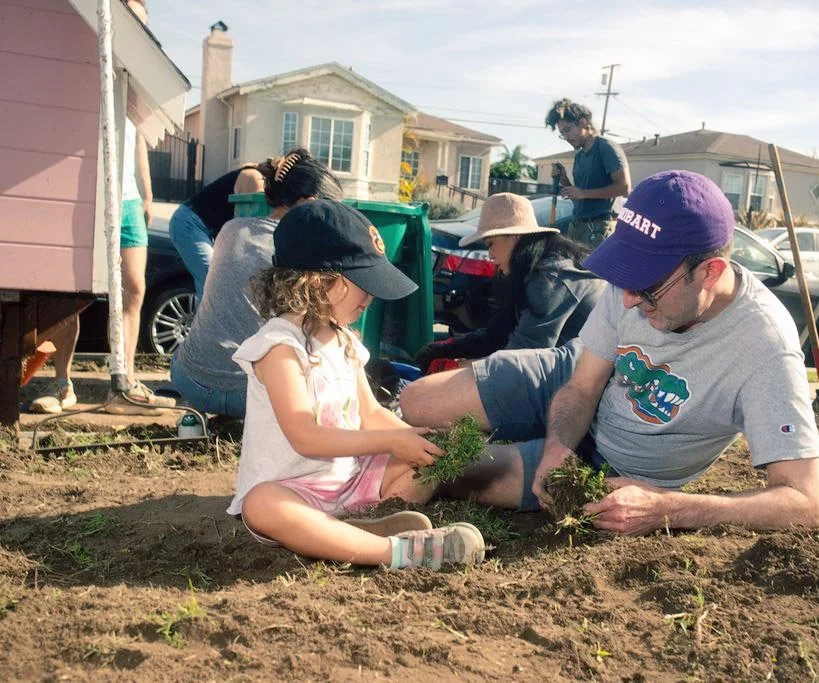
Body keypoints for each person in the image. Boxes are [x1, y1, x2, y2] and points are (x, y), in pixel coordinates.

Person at [402, 171, 819, 534]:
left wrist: (672, 509)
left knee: (440, 472)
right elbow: (583, 387)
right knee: (415, 401)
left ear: (709, 272)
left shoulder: (765, 348)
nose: (626, 302)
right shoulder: (635, 284)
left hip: (615, 468)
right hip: (573, 374)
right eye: (624, 283)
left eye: (645, 288)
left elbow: (805, 501)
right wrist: (556, 445)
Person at [228, 200, 486, 569]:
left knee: (422, 466)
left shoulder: (345, 340)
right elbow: (306, 437)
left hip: (353, 483)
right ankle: (394, 552)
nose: (371, 296)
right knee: (261, 505)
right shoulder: (278, 348)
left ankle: (354, 531)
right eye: (363, 283)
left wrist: (416, 439)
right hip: (296, 492)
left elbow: (370, 412)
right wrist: (391, 441)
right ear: (316, 281)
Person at [29, 0, 173, 416]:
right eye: (131, 20)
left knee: (135, 287)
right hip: (85, 193)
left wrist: (146, 193)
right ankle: (62, 385)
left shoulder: (140, 73)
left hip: (126, 198)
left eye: (142, 23)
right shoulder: (85, 59)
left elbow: (140, 135)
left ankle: (122, 384)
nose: (137, 30)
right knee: (72, 295)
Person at [171, 149, 342, 418]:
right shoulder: (298, 255)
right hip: (248, 394)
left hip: (189, 381)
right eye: (329, 212)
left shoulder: (232, 230)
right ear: (309, 203)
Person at [412, 193, 605, 375]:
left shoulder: (549, 277)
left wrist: (457, 368)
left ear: (515, 236)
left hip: (594, 381)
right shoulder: (531, 269)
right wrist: (451, 348)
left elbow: (523, 357)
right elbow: (500, 333)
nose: (490, 255)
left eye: (490, 244)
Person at [169, 165, 265, 301]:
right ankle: (204, 321)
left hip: (203, 226)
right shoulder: (253, 178)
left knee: (215, 278)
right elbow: (245, 224)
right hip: (190, 222)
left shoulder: (254, 173)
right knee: (212, 278)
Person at [544, 98, 630, 250]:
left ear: (583, 123)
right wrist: (565, 180)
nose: (566, 137)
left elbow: (624, 187)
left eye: (568, 130)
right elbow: (580, 200)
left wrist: (583, 193)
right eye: (562, 133)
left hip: (599, 229)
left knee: (593, 274)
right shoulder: (580, 155)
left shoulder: (606, 147)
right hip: (578, 227)